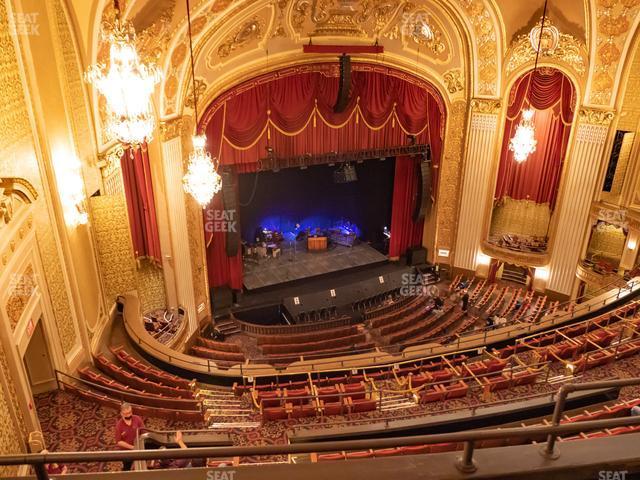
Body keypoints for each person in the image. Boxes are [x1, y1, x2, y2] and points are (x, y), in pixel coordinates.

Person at [115, 403, 145, 471]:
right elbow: (119, 442)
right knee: (127, 467)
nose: (128, 415)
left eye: (130, 412)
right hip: (126, 451)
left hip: (139, 447)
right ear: (121, 413)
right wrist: (133, 448)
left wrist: (140, 445)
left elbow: (143, 432)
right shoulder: (119, 426)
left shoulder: (137, 419)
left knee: (142, 463)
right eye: (126, 414)